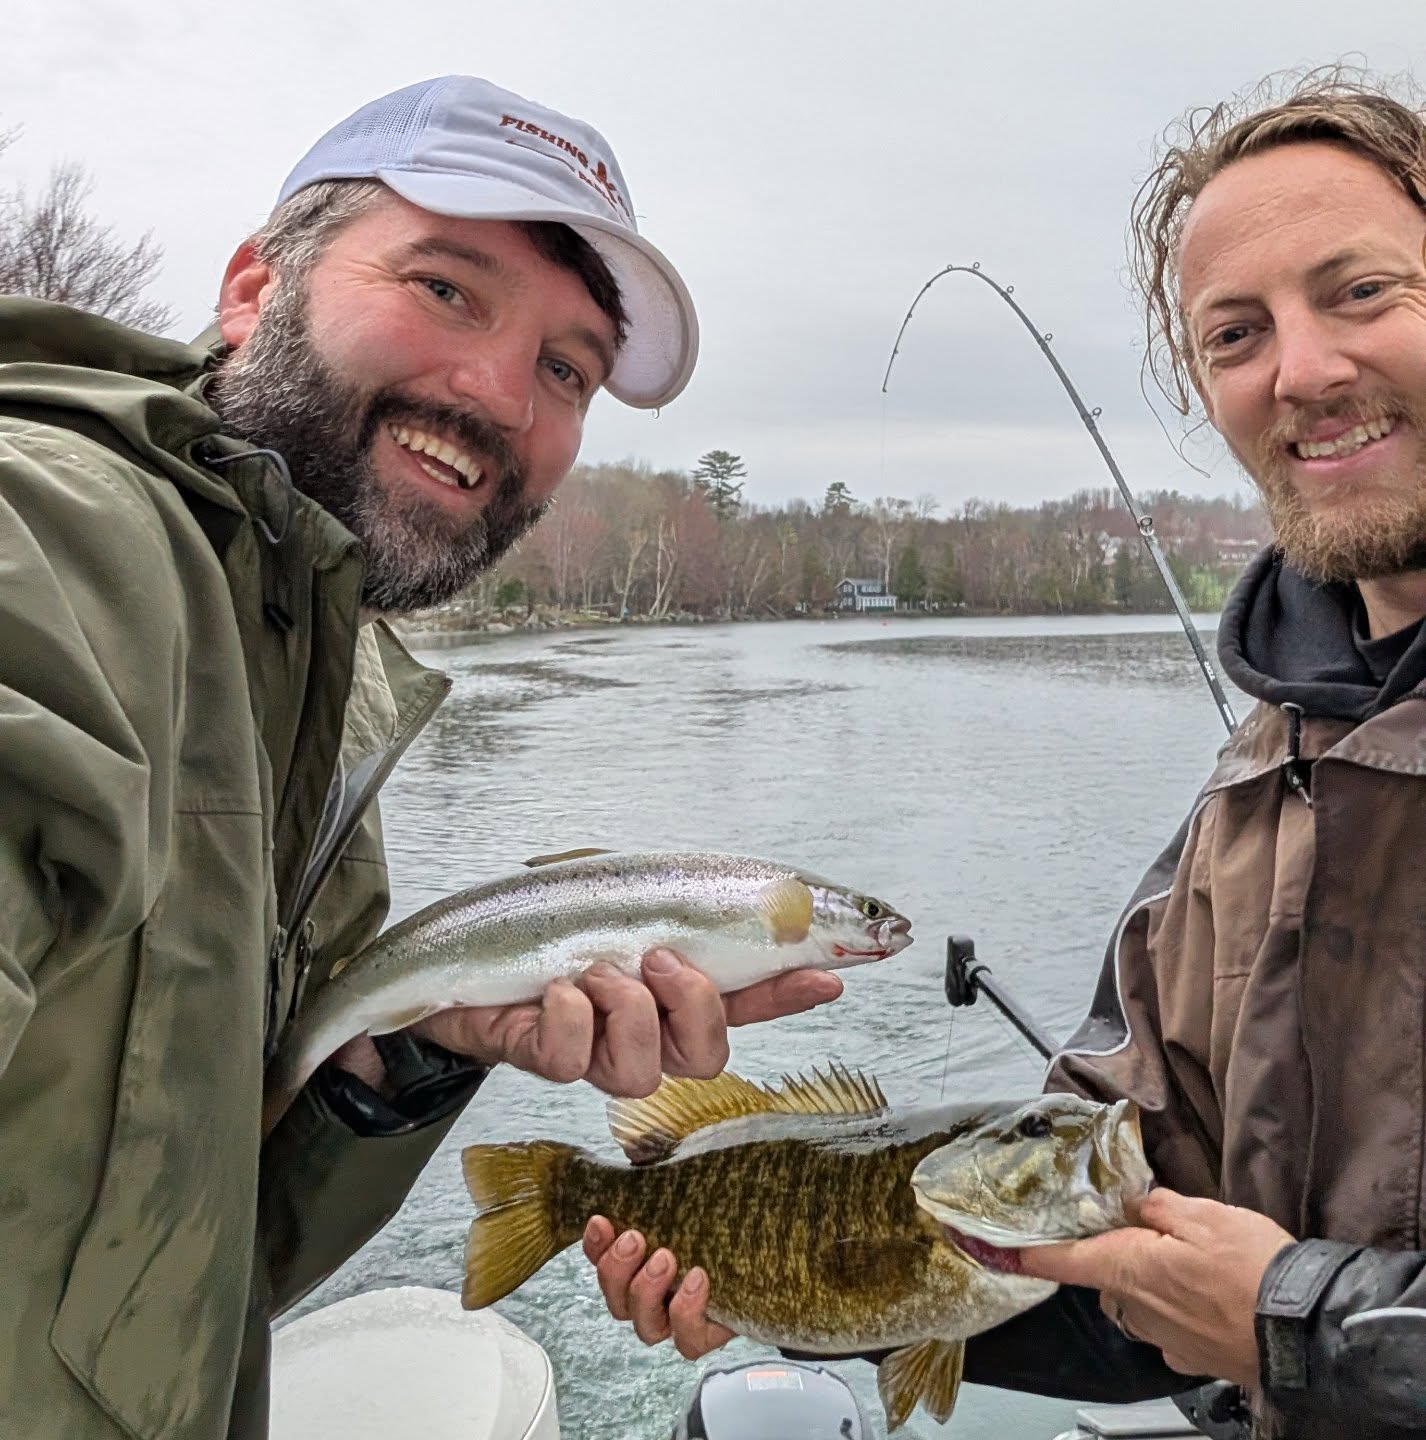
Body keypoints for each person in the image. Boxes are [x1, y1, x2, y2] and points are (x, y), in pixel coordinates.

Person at [584, 69, 1426, 1440]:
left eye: (1359, 293)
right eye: (1233, 333)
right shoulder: (1246, 806)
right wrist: (809, 1277)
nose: (1304, 371)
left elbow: (1258, 1311)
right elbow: (1135, 1282)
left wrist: (1309, 1326)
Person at [0, 75, 843, 1439]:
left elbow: (171, 1282)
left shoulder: (313, 704)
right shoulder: (54, 540)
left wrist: (405, 1054)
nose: (502, 393)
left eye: (566, 369)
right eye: (448, 290)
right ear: (249, 288)